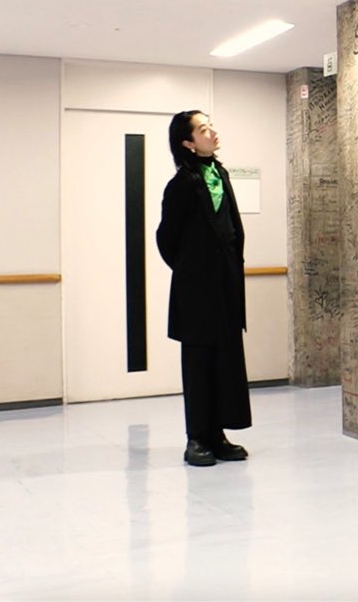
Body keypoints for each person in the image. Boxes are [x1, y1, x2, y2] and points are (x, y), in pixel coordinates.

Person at [157, 110, 252, 467]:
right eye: (202, 129)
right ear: (187, 142)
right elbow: (166, 239)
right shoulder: (181, 184)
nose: (211, 132)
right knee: (198, 364)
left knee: (225, 360)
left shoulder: (220, 174)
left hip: (226, 286)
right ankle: (196, 438)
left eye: (210, 125)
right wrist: (191, 271)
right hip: (196, 291)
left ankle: (218, 435)